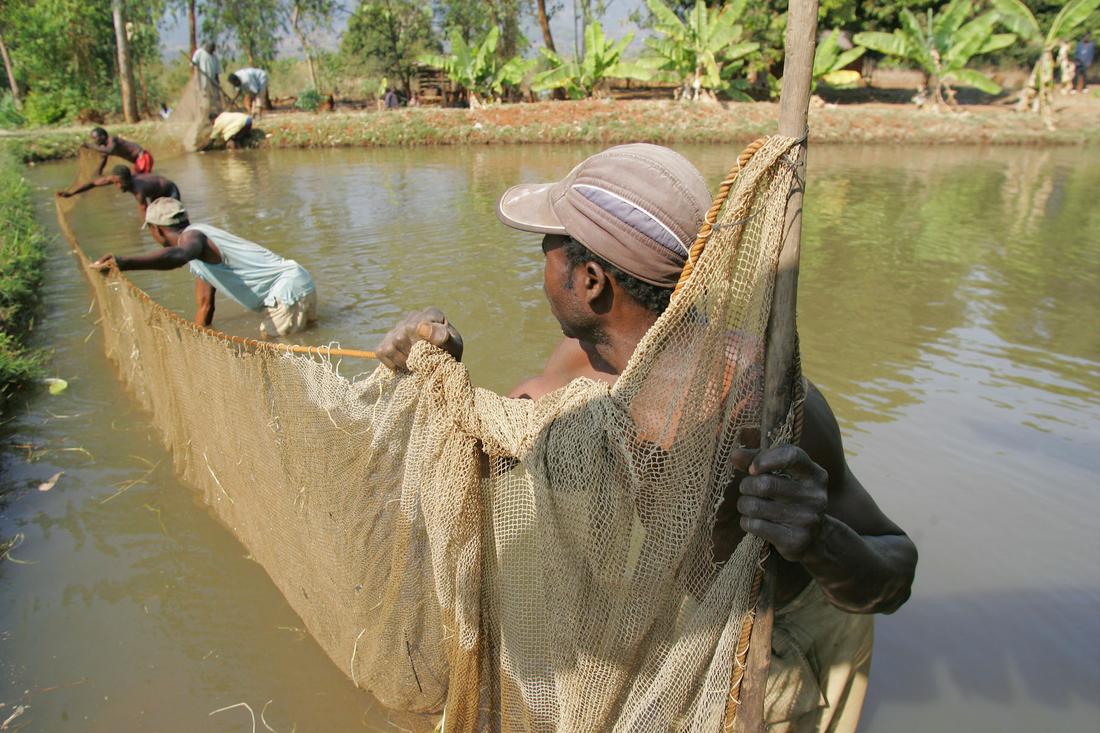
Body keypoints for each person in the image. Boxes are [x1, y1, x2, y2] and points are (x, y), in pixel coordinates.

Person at [376, 144, 917, 733]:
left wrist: (817, 540)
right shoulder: (579, 367)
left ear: (590, 282)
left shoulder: (765, 409)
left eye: (545, 254)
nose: (540, 271)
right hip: (649, 629)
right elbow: (494, 455)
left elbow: (893, 574)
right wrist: (438, 374)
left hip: (758, 652)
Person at [90, 198, 317, 337]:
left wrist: (124, 263)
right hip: (296, 284)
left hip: (284, 292)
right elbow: (205, 306)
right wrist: (197, 339)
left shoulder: (193, 238)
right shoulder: (199, 255)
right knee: (304, 340)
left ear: (156, 230)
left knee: (274, 351)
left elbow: (177, 256)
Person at [57, 165, 181, 216]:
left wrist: (148, 227)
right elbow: (92, 183)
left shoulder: (138, 189)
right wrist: (71, 193)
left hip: (169, 190)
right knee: (159, 216)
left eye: (120, 183)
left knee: (174, 216)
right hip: (155, 193)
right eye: (115, 182)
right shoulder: (114, 178)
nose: (117, 186)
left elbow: (143, 209)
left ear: (129, 180)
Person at [84, 127, 153, 176]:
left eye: (95, 138)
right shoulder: (104, 147)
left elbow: (110, 150)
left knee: (141, 178)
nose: (94, 141)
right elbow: (103, 160)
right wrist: (98, 173)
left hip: (143, 157)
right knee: (137, 178)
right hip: (139, 161)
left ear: (103, 137)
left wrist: (91, 146)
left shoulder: (112, 139)